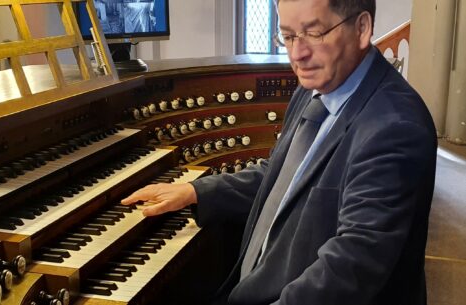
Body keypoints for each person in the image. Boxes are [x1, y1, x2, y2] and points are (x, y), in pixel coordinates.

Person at [121, 0, 437, 304]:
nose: (297, 54)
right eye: (287, 36)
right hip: (254, 287)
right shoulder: (315, 87)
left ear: (362, 28)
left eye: (314, 33)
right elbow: (281, 176)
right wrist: (196, 191)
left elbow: (351, 269)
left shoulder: (394, 127)